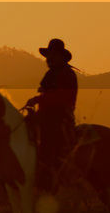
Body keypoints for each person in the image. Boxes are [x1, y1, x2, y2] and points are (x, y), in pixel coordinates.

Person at [25, 38, 78, 191]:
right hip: (45, 115)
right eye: (48, 56)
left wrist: (38, 99)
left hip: (60, 116)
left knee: (49, 143)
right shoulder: (51, 73)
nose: (49, 59)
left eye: (53, 55)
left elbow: (62, 98)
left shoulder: (67, 74)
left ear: (61, 57)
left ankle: (50, 175)